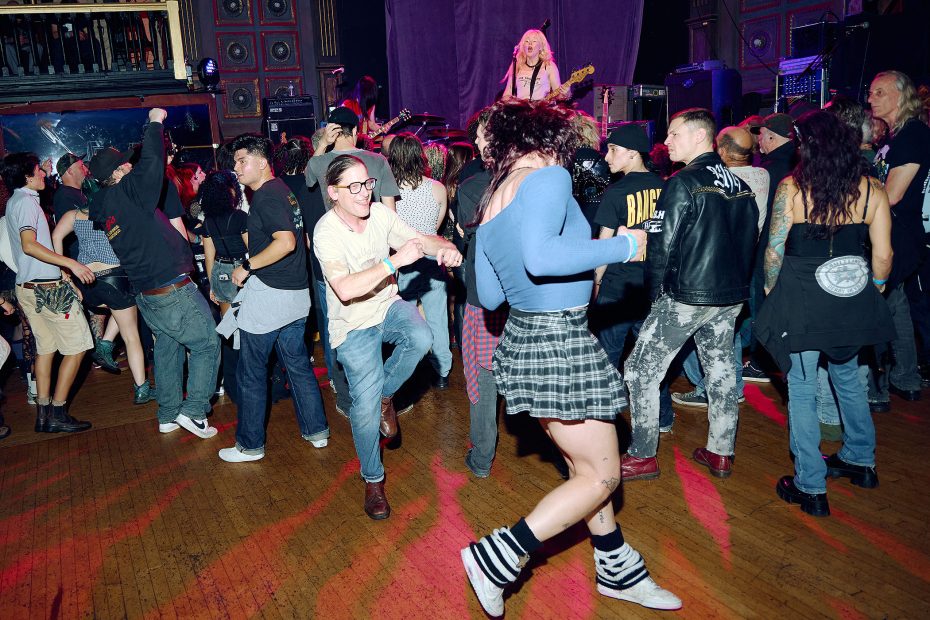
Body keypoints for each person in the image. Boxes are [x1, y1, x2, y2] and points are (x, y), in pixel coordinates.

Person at [462, 99, 680, 615]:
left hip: (525, 340)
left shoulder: (492, 203)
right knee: (603, 476)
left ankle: (617, 568)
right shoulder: (548, 176)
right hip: (559, 342)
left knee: (584, 466)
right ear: (547, 138)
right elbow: (542, 257)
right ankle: (497, 558)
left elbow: (490, 296)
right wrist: (624, 247)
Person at [756, 110, 894, 517]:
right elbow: (883, 256)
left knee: (800, 386)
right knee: (848, 378)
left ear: (808, 147)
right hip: (850, 292)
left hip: (802, 296)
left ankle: (811, 485)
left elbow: (774, 251)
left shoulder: (792, 189)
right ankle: (860, 461)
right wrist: (875, 291)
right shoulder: (872, 190)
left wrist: (769, 289)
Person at [314, 154, 461, 520]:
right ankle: (373, 479)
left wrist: (442, 247)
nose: (365, 192)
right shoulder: (326, 232)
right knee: (362, 413)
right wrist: (394, 263)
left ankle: (384, 394)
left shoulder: (379, 214)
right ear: (333, 192)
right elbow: (345, 289)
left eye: (368, 183)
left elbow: (417, 240)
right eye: (354, 186)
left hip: (386, 306)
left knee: (421, 337)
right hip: (352, 324)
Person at [622, 108, 758, 481]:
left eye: (673, 134)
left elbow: (660, 247)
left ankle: (642, 454)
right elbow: (751, 243)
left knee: (639, 370)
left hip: (687, 295)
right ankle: (720, 451)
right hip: (729, 296)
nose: (666, 142)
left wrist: (653, 298)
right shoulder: (740, 185)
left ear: (700, 136)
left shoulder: (684, 182)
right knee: (721, 371)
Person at [88, 108, 220, 440]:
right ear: (118, 173)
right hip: (171, 288)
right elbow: (151, 163)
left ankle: (167, 413)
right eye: (125, 164)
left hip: (147, 293)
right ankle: (194, 412)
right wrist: (156, 122)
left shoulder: (109, 204)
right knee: (206, 344)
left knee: (167, 349)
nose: (131, 165)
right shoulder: (129, 192)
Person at [215, 134, 329, 462]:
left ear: (262, 162)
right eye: (235, 162)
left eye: (242, 161)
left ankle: (250, 445)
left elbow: (288, 242)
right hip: (295, 294)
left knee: (251, 372)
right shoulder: (282, 191)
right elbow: (301, 239)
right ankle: (316, 431)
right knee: (297, 365)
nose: (236, 168)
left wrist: (247, 266)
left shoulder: (266, 196)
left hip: (271, 297)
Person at [673, 125, 769, 407]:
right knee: (730, 327)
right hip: (745, 260)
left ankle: (706, 387)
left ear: (723, 150)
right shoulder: (762, 174)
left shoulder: (719, 178)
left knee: (694, 327)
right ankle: (732, 385)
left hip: (712, 264)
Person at [1, 152, 94, 433]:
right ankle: (57, 411)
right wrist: (71, 264)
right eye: (39, 170)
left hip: (27, 287)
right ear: (28, 177)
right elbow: (29, 245)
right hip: (46, 290)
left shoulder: (14, 202)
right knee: (79, 347)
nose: (44, 173)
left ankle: (42, 416)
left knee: (46, 350)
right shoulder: (28, 203)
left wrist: (62, 274)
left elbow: (30, 252)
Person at [590, 124, 674, 431]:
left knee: (608, 356)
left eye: (613, 150)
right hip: (654, 286)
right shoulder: (666, 187)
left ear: (632, 153)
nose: (607, 157)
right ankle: (663, 418)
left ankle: (604, 419)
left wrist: (596, 284)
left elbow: (604, 246)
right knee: (652, 358)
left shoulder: (617, 191)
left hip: (618, 285)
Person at [51, 193, 155, 404]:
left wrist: (64, 270)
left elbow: (55, 237)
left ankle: (105, 343)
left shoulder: (74, 215)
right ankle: (142, 389)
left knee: (121, 307)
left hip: (88, 283)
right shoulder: (112, 213)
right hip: (114, 278)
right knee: (131, 336)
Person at [868, 70, 930, 404]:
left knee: (877, 303)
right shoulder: (897, 136)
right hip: (894, 232)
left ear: (900, 95)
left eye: (879, 92)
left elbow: (892, 195)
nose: (871, 98)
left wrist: (860, 189)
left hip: (901, 235)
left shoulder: (913, 134)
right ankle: (906, 377)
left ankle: (876, 389)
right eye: (871, 92)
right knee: (895, 303)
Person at [387, 133, 453, 388]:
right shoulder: (437, 187)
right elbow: (435, 227)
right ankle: (442, 372)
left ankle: (407, 370)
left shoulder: (388, 192)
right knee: (437, 318)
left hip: (403, 259)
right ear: (420, 156)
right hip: (431, 259)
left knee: (403, 320)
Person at [305, 106, 401, 211]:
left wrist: (322, 144)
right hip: (372, 227)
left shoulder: (319, 162)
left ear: (329, 130)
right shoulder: (379, 160)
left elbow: (308, 179)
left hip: (335, 227)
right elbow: (390, 210)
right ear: (355, 130)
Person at [200, 171, 247, 319]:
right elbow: (253, 249)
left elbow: (209, 258)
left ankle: (231, 343)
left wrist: (212, 286)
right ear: (230, 190)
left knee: (229, 320)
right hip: (241, 269)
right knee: (246, 318)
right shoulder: (240, 217)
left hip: (220, 271)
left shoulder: (208, 221)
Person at [500, 29, 562, 101]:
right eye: (527, 41)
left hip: (541, 110)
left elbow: (558, 95)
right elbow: (507, 93)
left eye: (534, 41)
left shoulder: (549, 66)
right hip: (521, 110)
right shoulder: (517, 66)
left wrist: (566, 93)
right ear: (523, 46)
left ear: (541, 46)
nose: (530, 43)